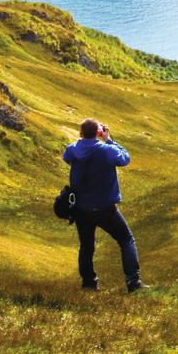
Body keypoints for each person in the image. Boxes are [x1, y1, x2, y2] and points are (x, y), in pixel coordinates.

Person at [63, 118, 143, 292]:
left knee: (86, 245)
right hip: (104, 207)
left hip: (81, 208)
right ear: (98, 133)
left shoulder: (73, 149)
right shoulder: (106, 150)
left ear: (81, 133)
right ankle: (133, 282)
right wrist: (108, 139)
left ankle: (89, 283)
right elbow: (125, 159)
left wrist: (83, 139)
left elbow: (66, 157)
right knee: (126, 239)